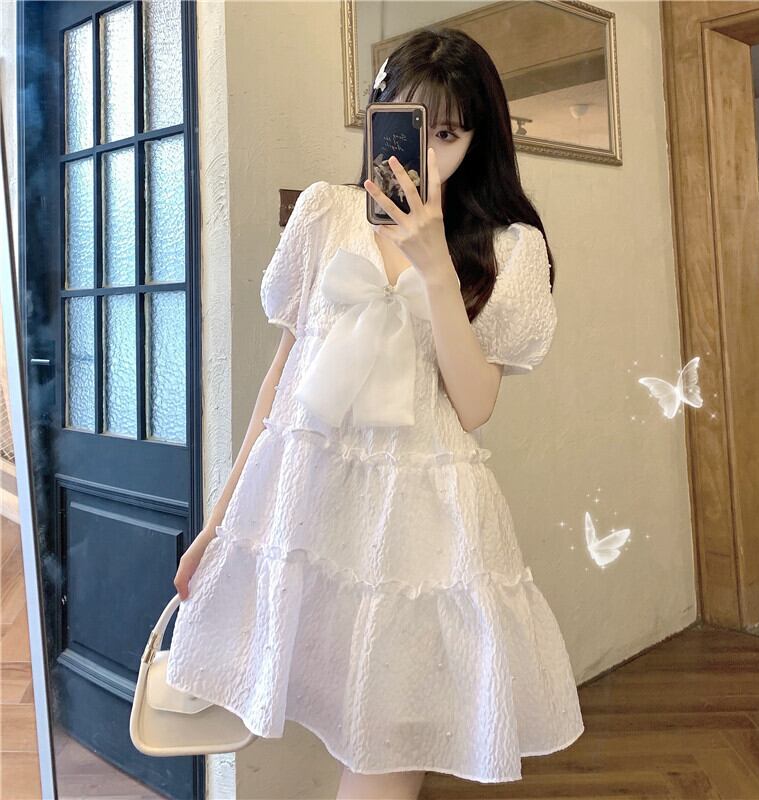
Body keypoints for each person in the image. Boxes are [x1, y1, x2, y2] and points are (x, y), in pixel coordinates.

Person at [167, 27, 584, 800]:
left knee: (385, 741)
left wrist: (435, 267)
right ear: (377, 117)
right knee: (332, 712)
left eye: (449, 134)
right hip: (310, 512)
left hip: (419, 533)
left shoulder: (508, 248)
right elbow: (280, 383)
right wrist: (217, 525)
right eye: (410, 125)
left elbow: (475, 406)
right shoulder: (324, 215)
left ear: (479, 138)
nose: (429, 152)